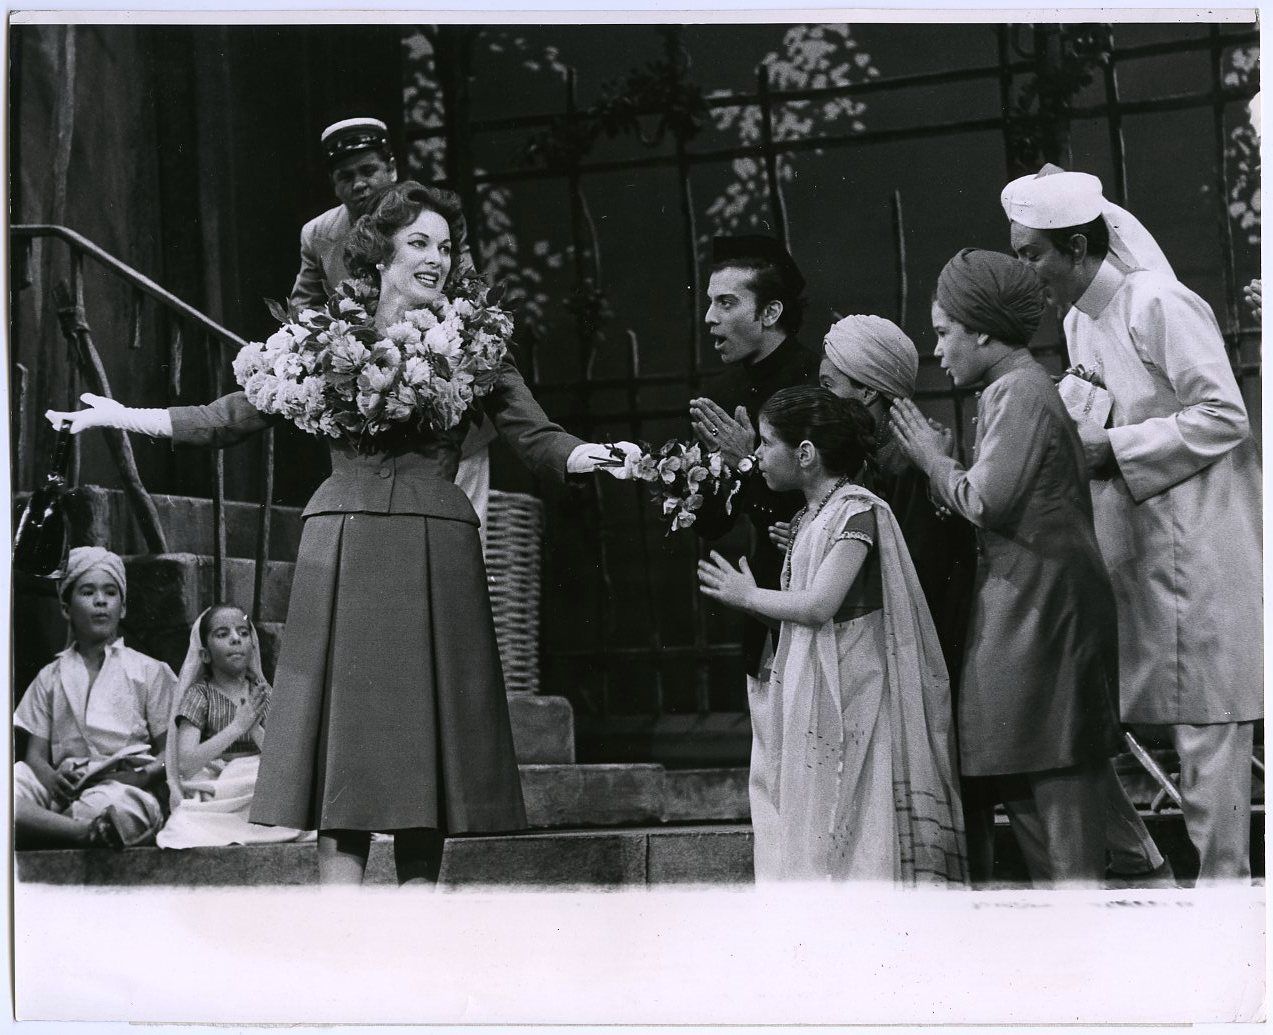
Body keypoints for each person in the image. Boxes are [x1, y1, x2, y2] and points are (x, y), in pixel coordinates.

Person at [48, 181, 637, 885]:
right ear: (381, 253)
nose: (436, 258)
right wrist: (122, 415)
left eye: (445, 246)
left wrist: (588, 453)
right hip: (346, 548)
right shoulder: (321, 337)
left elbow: (533, 433)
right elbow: (231, 414)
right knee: (343, 766)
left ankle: (412, 946)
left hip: (433, 550)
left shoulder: (476, 339)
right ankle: (343, 948)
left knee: (427, 768)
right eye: (419, 242)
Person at [1002, 168, 1263, 883]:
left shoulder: (1158, 303)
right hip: (1135, 550)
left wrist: (1111, 446)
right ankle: (1148, 873)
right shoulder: (1080, 318)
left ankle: (1225, 917)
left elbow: (1224, 415)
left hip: (1200, 553)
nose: (1023, 270)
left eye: (1031, 254)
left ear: (1079, 246)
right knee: (1087, 722)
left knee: (1208, 749)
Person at [891, 249, 1123, 887]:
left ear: (983, 331)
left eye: (944, 333)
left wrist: (932, 460)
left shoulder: (1019, 388)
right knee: (1030, 774)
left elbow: (984, 499)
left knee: (1057, 784)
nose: (937, 351)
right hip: (1027, 606)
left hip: (1045, 611)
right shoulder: (1009, 388)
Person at [698, 386, 965, 884]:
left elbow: (820, 605)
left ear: (805, 454)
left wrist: (746, 595)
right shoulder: (811, 516)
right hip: (820, 689)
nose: (756, 456)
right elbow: (801, 616)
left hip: (852, 692)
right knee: (819, 816)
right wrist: (755, 597)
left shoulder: (856, 509)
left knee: (855, 816)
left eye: (766, 443)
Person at [289, 117, 495, 544]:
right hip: (364, 408)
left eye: (368, 171)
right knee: (378, 534)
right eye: (346, 177)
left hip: (440, 401)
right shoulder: (319, 235)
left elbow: (468, 298)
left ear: (392, 169)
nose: (359, 185)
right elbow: (302, 309)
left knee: (457, 532)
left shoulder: (433, 219)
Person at [688, 234, 819, 699]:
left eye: (726, 303)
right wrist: (686, 486)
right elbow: (713, 525)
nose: (710, 318)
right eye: (710, 303)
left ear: (770, 313)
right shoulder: (723, 393)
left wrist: (744, 460)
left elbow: (819, 503)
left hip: (821, 591)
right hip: (760, 596)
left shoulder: (816, 381)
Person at [14, 547, 175, 850]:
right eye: (88, 592)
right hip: (63, 786)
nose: (100, 601)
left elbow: (172, 751)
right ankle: (83, 833)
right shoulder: (50, 675)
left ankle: (52, 826)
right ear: (66, 608)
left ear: (122, 607)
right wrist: (51, 781)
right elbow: (34, 756)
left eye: (110, 592)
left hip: (123, 787)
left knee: (115, 806)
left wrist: (141, 776)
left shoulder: (148, 671)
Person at [156, 604, 313, 849]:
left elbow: (283, 759)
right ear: (205, 654)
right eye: (222, 634)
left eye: (242, 632)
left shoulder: (262, 693)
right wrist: (238, 726)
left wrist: (254, 729)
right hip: (219, 785)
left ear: (253, 645)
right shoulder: (200, 695)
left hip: (257, 781)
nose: (235, 639)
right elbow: (186, 764)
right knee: (186, 821)